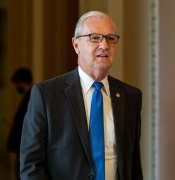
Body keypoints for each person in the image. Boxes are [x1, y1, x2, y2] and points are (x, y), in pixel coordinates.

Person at [20, 11, 143, 180]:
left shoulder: (131, 97)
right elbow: (31, 165)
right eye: (95, 37)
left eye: (110, 38)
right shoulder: (46, 95)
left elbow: (134, 165)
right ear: (76, 45)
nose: (104, 45)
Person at [7, 68, 33, 180]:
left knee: (21, 172)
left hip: (25, 143)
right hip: (24, 143)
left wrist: (14, 121)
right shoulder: (30, 94)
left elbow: (26, 120)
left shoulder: (31, 94)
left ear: (20, 81)